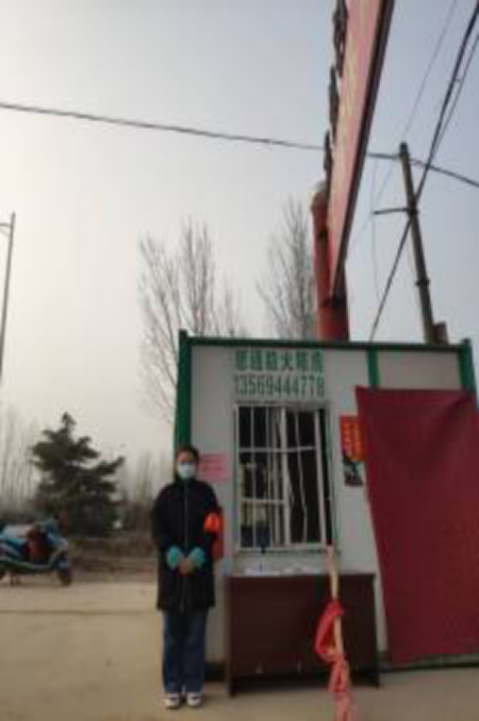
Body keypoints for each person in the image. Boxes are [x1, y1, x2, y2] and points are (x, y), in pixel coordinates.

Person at [151, 444, 221, 710]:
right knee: (172, 636)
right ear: (175, 465)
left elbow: (213, 526)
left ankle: (194, 687)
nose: (186, 465)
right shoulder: (165, 495)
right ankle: (172, 687)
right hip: (172, 576)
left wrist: (197, 556)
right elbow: (157, 528)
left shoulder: (207, 494)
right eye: (182, 461)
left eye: (190, 461)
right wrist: (174, 555)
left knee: (195, 637)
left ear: (197, 465)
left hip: (198, 574)